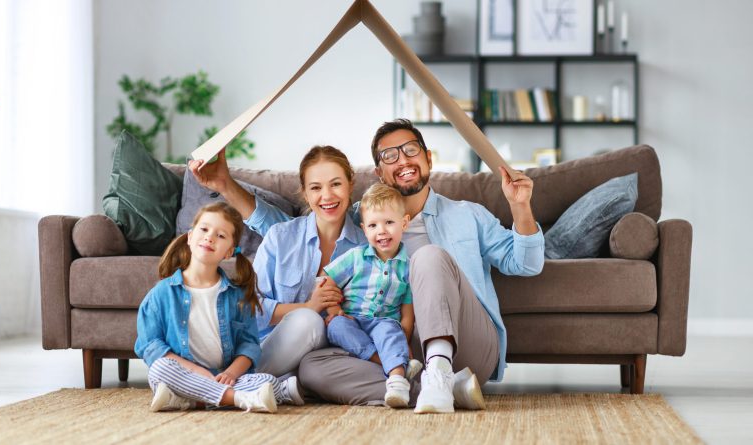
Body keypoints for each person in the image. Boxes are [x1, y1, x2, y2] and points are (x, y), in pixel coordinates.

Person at [189, 119, 544, 413]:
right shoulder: (364, 221)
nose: (402, 160)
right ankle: (438, 390)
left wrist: (521, 207)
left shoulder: (468, 215)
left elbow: (525, 265)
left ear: (428, 158)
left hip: (466, 345)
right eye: (390, 156)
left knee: (428, 257)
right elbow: (292, 230)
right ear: (378, 172)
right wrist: (224, 184)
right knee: (313, 368)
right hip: (393, 350)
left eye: (410, 150)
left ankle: (442, 371)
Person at [191, 145, 367, 378]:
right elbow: (251, 308)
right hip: (274, 347)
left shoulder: (366, 248)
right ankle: (239, 381)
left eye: (336, 184)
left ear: (350, 184)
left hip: (328, 356)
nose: (327, 196)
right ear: (305, 193)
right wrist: (308, 307)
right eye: (316, 187)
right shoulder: (281, 237)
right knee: (308, 321)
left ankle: (268, 385)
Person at [135, 202, 303, 413]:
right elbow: (149, 345)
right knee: (159, 370)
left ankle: (190, 400)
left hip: (222, 376)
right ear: (190, 236)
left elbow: (249, 346)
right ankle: (241, 399)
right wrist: (196, 371)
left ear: (229, 252)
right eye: (204, 229)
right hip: (181, 374)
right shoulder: (162, 293)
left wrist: (232, 373)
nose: (210, 237)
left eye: (221, 236)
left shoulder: (237, 296)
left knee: (265, 379)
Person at [322, 183, 423, 408]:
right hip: (353, 320)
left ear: (404, 223)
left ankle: (397, 381)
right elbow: (327, 280)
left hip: (384, 323)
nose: (382, 231)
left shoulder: (408, 267)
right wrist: (334, 311)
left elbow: (408, 309)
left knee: (390, 331)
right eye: (373, 225)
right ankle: (391, 363)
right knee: (336, 326)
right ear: (364, 229)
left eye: (389, 222)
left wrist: (403, 335)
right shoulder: (356, 257)